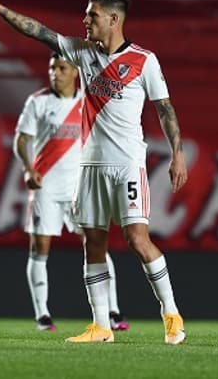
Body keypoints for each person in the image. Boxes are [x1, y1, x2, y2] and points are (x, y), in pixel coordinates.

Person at [0, 0, 187, 344]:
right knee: (94, 244)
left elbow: (165, 109)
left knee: (137, 239)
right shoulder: (80, 52)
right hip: (90, 166)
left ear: (113, 20)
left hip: (128, 165)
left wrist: (177, 152)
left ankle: (171, 313)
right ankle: (101, 326)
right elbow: (36, 30)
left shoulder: (144, 61)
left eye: (93, 15)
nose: (85, 21)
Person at [15, 52, 129, 332]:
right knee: (39, 248)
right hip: (46, 187)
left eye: (62, 68)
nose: (56, 73)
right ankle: (42, 315)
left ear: (76, 72)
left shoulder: (88, 101)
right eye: (52, 67)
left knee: (96, 245)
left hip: (81, 187)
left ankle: (112, 311)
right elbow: (21, 140)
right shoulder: (38, 102)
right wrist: (29, 169)